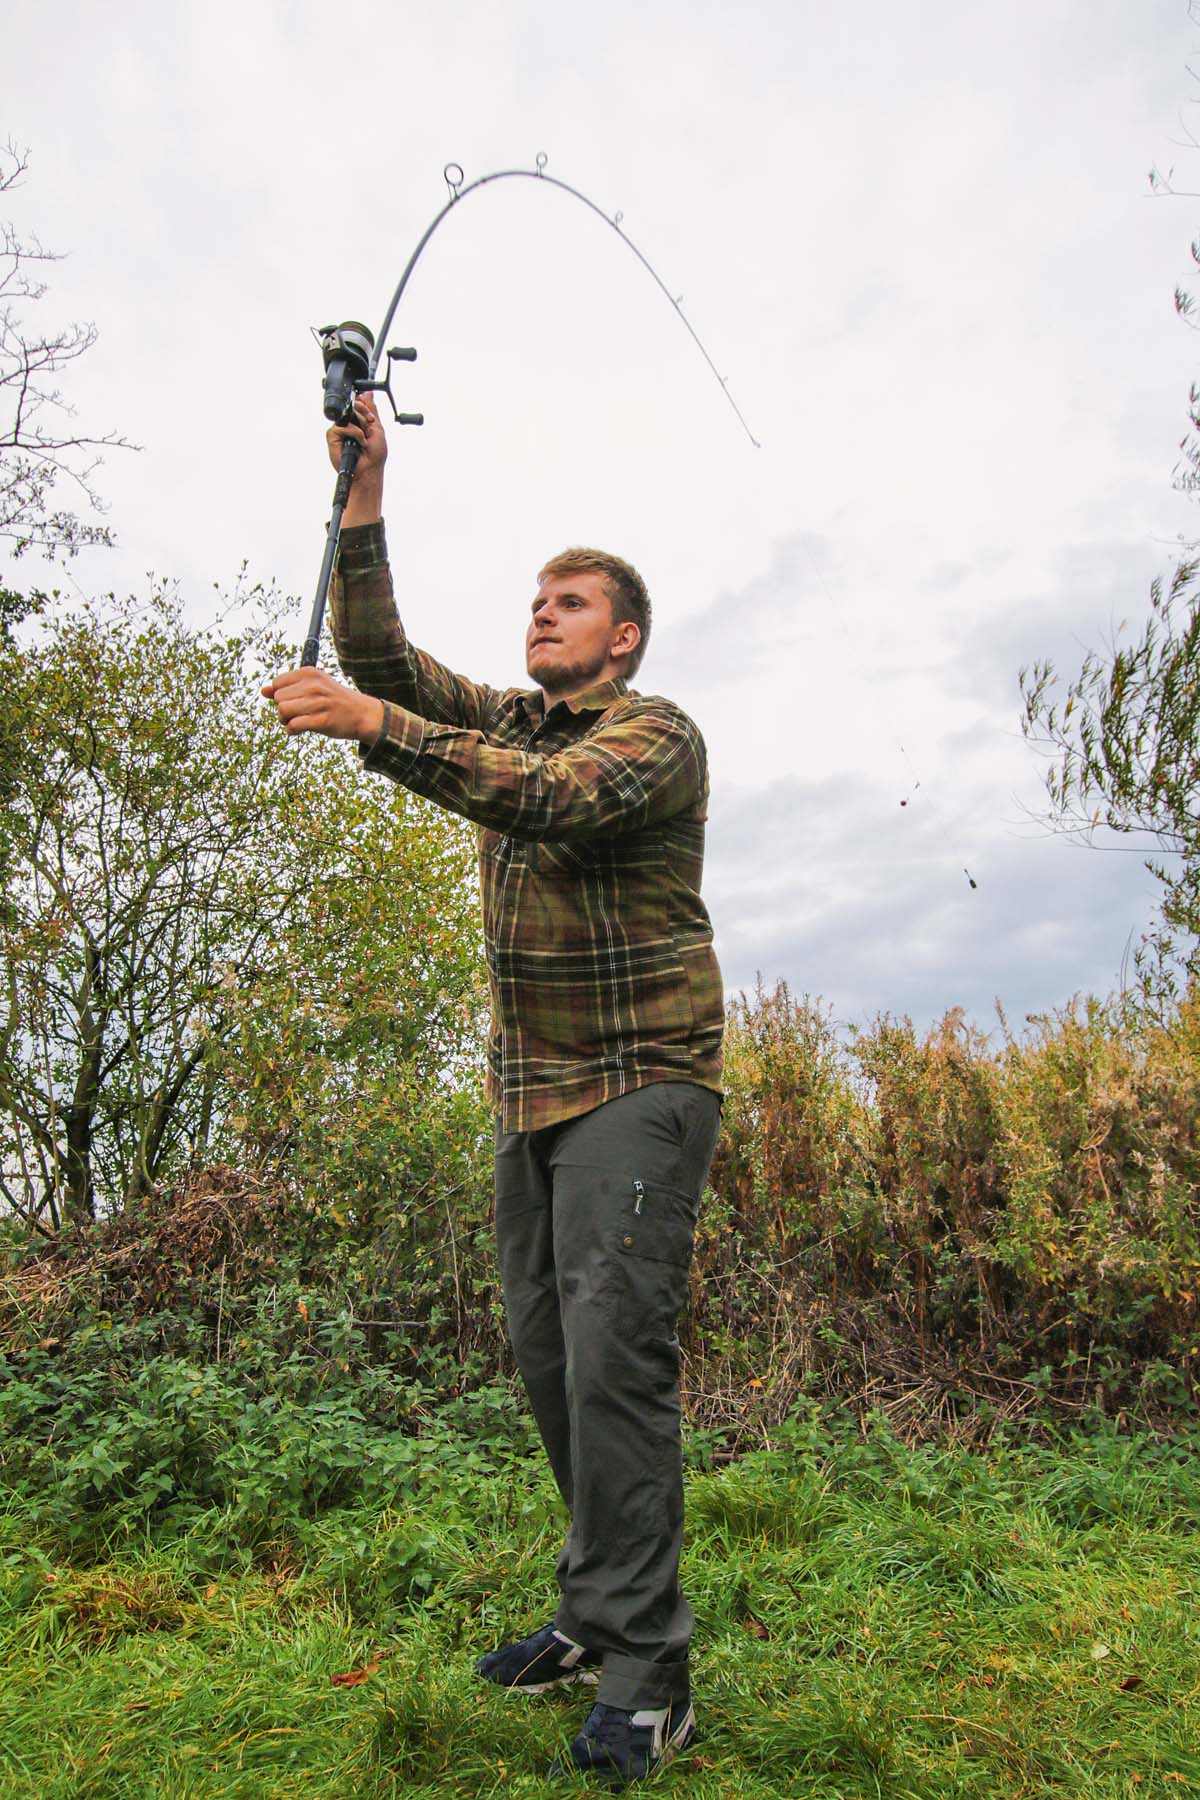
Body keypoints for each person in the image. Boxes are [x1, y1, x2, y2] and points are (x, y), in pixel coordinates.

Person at [263, 391, 725, 1788]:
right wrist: (363, 498)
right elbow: (384, 662)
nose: (543, 616)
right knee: (548, 1365)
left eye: (569, 603)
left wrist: (369, 726)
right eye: (535, 599)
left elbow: (551, 798)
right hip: (530, 1097)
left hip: (640, 1082)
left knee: (616, 1372)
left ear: (623, 634)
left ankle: (655, 1674)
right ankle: (596, 1615)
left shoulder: (652, 737)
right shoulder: (518, 724)